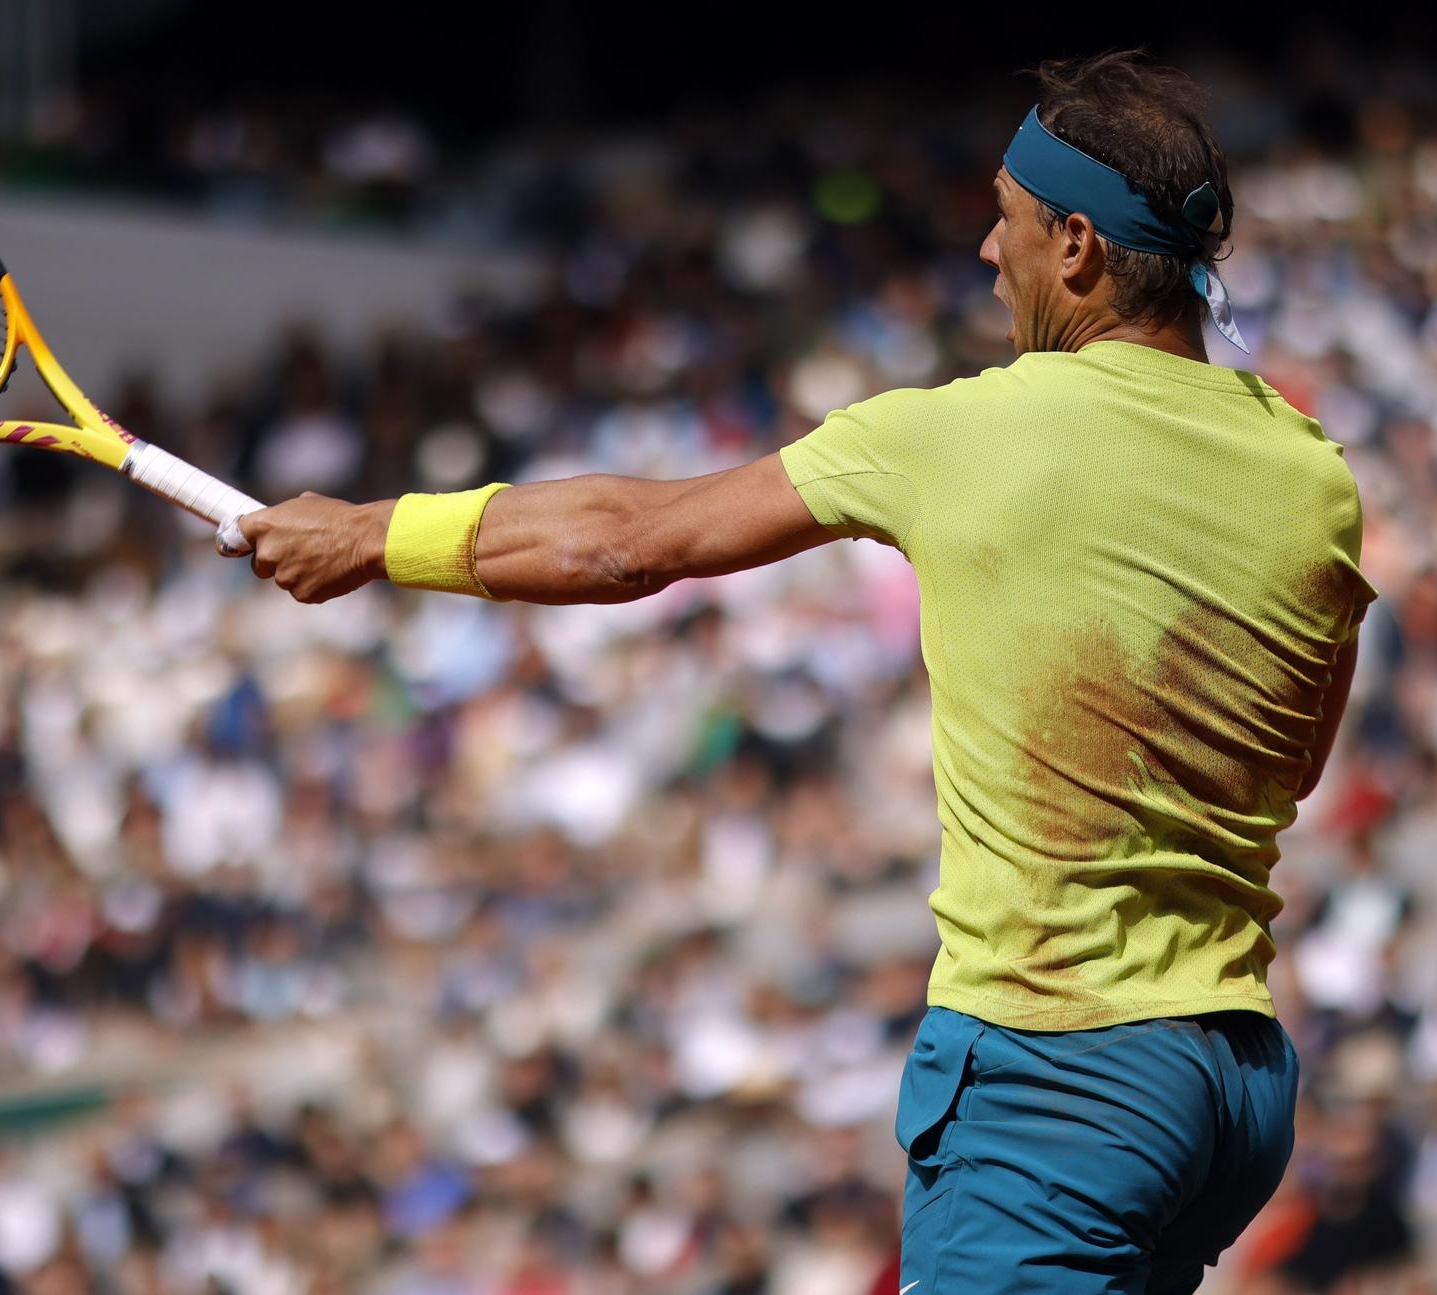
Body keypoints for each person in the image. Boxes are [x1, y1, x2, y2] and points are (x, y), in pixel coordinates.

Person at [232, 51, 1375, 1293]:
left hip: (1057, 1074)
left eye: (1005, 222)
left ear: (1078, 248)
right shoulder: (1308, 470)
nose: (987, 255)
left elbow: (630, 540)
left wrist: (370, 534)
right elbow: (1296, 761)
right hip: (1229, 1089)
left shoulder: (962, 433)